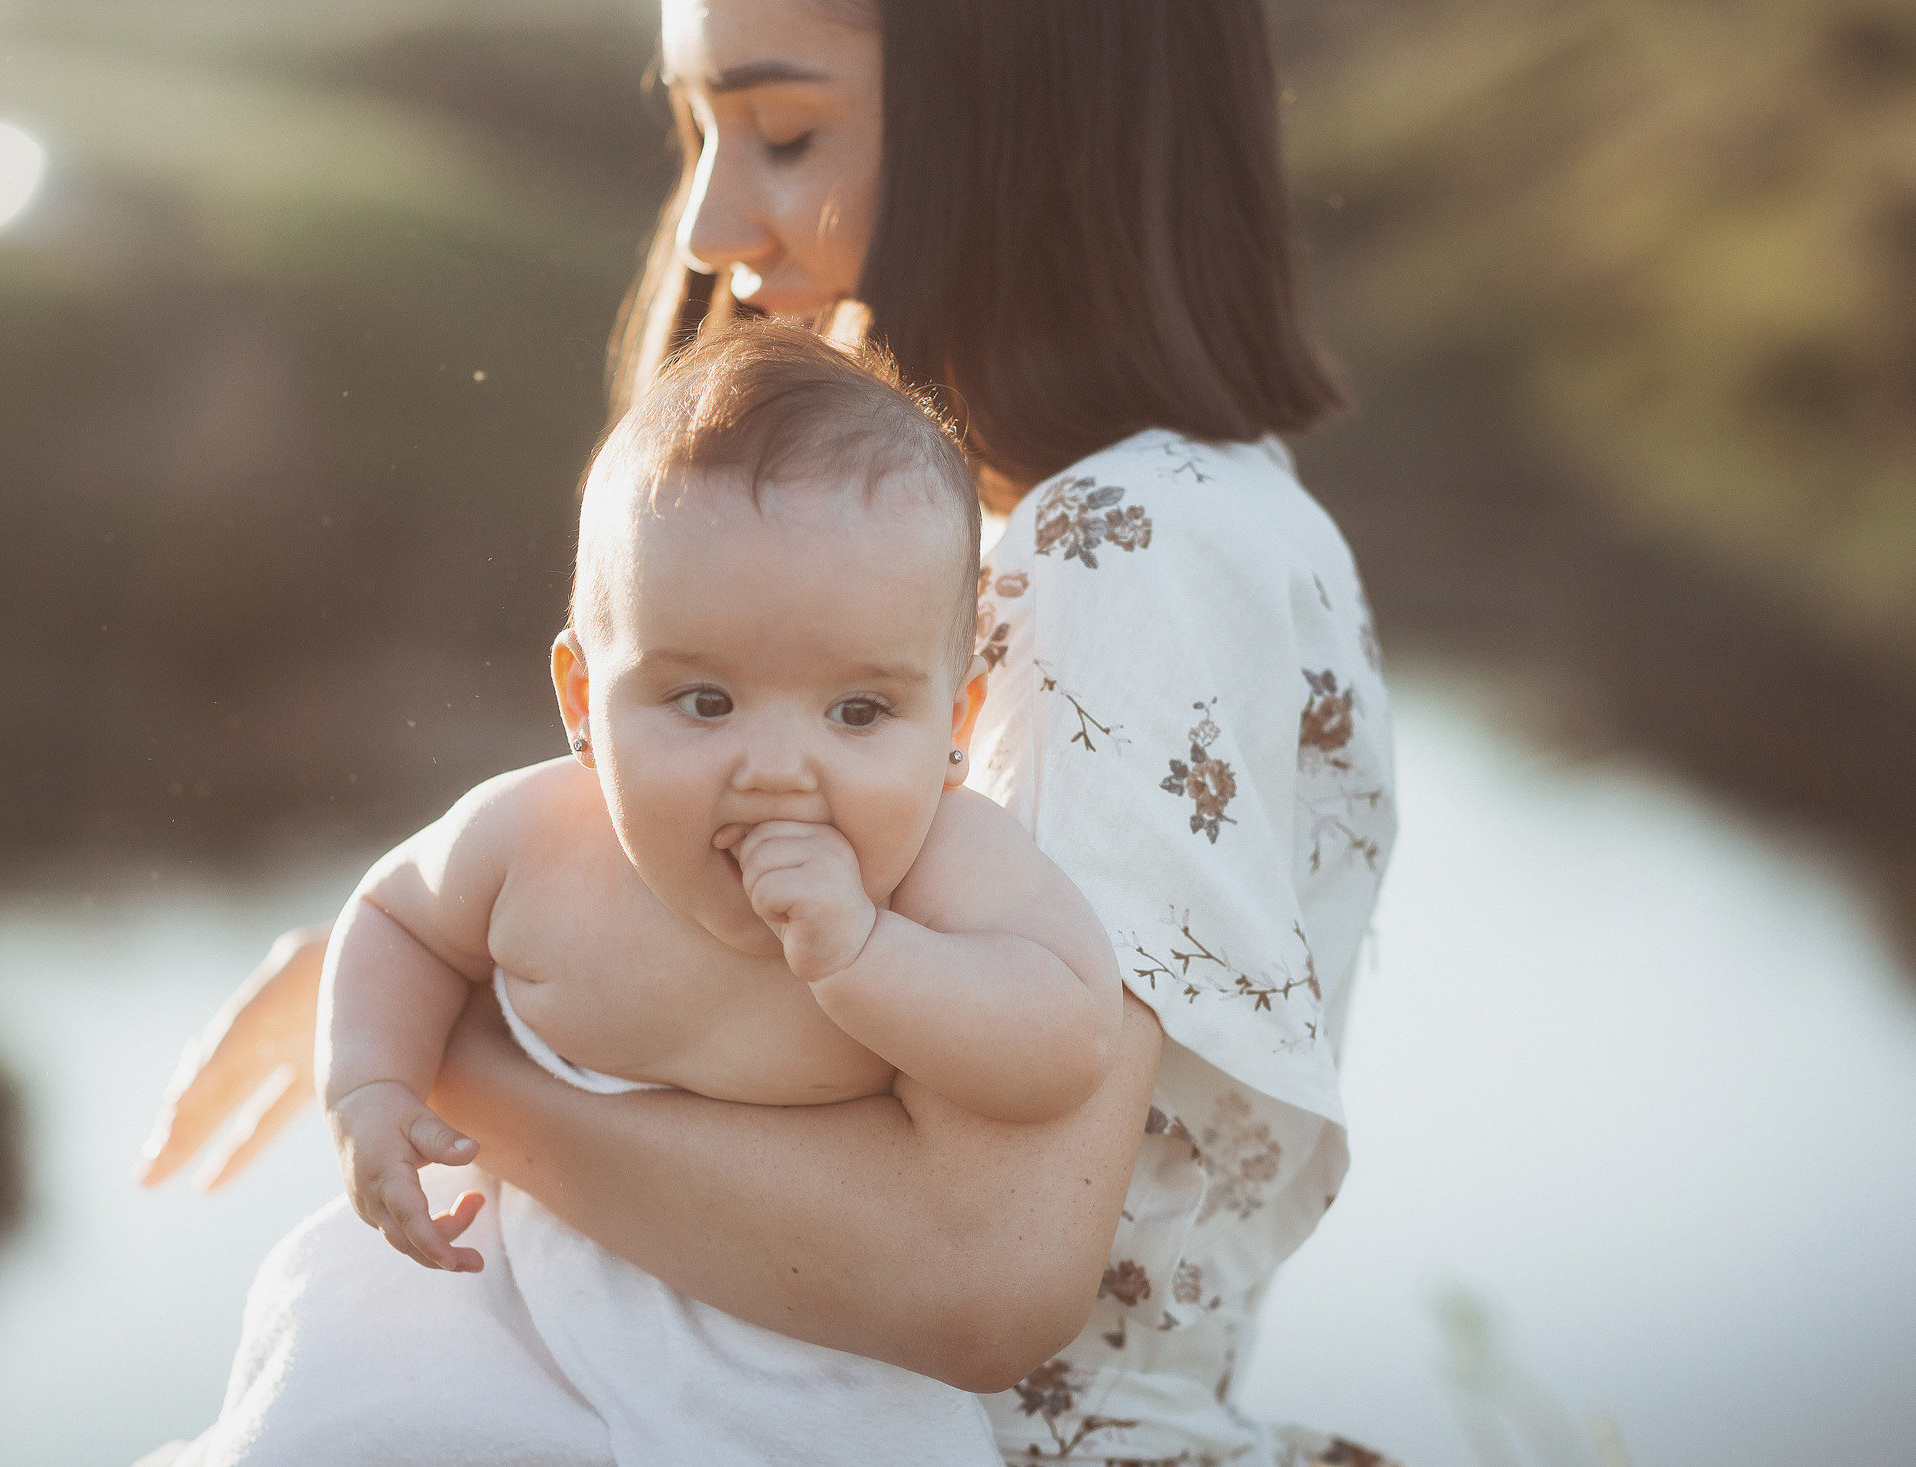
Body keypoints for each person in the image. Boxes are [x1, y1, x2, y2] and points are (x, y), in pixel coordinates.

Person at [137, 1, 1399, 1463]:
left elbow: (984, 1278)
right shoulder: (1060, 518)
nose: (712, 224)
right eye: (695, 132)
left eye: (786, 132)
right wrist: (452, 953)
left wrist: (468, 1059)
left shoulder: (1125, 545)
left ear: (1046, 122)